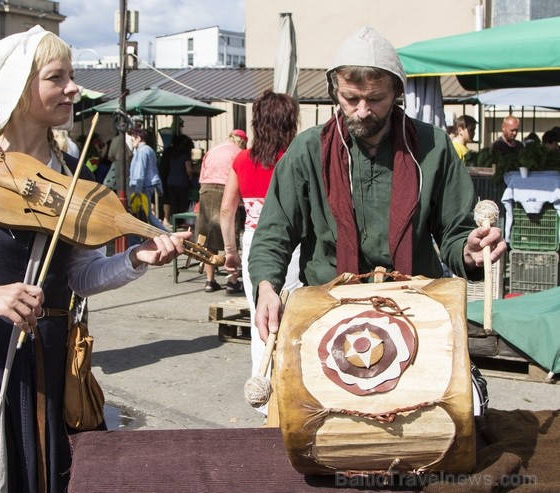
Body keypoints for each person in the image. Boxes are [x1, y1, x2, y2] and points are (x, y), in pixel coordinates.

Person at [0, 25, 190, 492]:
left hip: (50, 360)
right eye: (57, 77)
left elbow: (80, 278)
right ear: (21, 87)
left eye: (72, 76)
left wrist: (135, 259)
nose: (73, 88)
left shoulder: (71, 172)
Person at [247, 26, 507, 347]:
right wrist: (266, 286)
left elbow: (455, 231)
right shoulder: (307, 151)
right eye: (350, 98)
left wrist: (469, 252)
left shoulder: (433, 146)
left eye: (376, 98)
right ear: (334, 92)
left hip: (414, 309)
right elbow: (274, 232)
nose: (363, 110)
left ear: (397, 91)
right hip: (328, 309)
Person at [219, 93, 303, 409]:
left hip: (254, 242)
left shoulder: (243, 160)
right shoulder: (295, 157)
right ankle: (294, 391)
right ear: (289, 122)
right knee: (294, 316)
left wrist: (230, 251)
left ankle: (265, 396)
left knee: (261, 318)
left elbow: (227, 211)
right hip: (291, 244)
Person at [196, 129, 247, 292]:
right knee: (230, 235)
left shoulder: (213, 149)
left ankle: (209, 281)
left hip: (206, 190)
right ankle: (232, 281)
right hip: (226, 191)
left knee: (208, 238)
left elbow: (201, 175)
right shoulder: (239, 153)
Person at [128, 127, 166, 234]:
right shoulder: (149, 150)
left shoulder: (142, 151)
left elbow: (140, 172)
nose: (132, 142)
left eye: (132, 139)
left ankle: (167, 234)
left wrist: (137, 190)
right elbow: (154, 170)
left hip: (142, 186)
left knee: (145, 214)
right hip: (148, 185)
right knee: (145, 214)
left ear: (138, 138)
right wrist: (159, 187)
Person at [165, 133, 194, 219]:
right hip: (181, 182)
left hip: (171, 181)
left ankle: (174, 221)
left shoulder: (174, 154)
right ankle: (181, 221)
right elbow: (189, 170)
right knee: (182, 203)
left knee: (174, 203)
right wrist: (191, 176)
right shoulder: (186, 155)